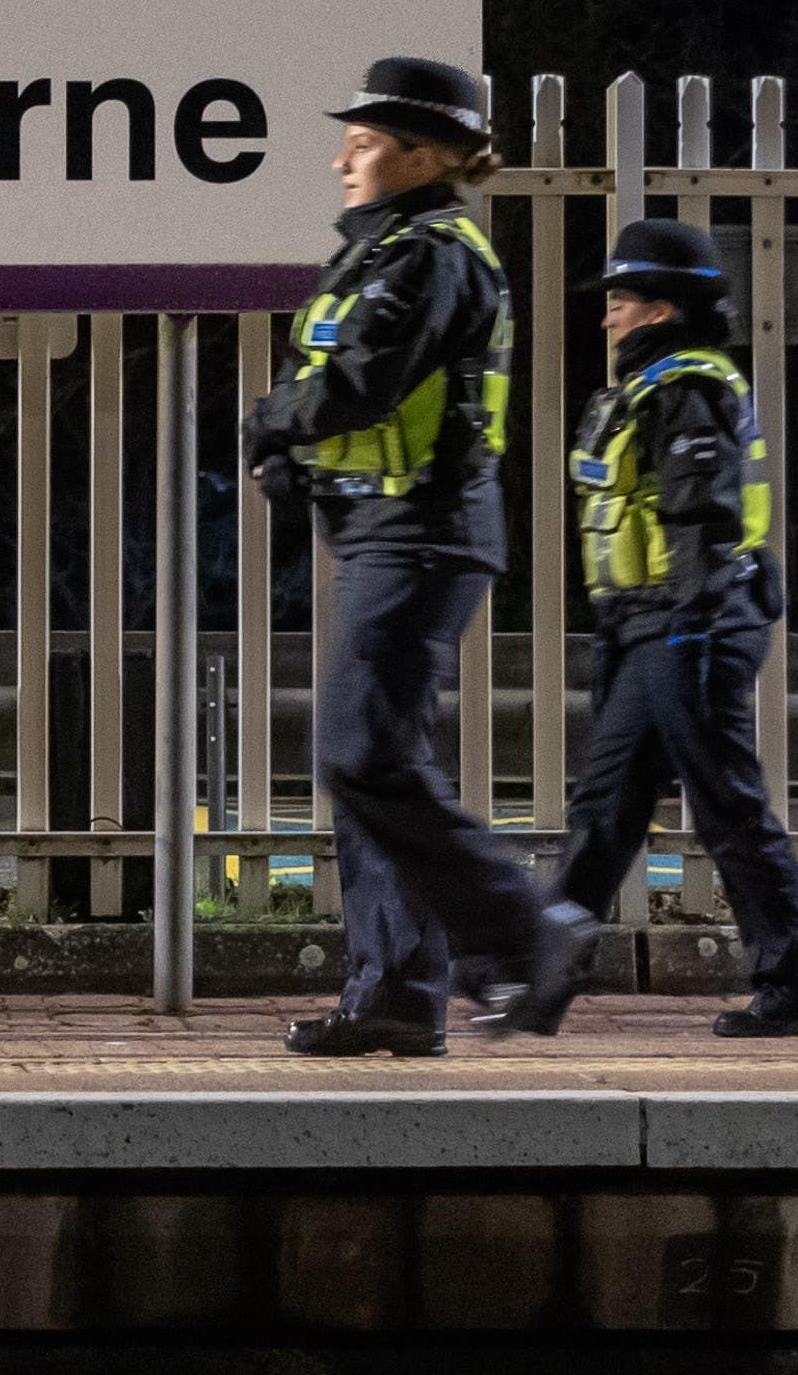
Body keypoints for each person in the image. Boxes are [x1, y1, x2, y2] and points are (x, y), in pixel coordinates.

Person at [237, 56, 598, 1057]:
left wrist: (272, 419)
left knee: (360, 754)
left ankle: (529, 936)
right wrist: (290, 449)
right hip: (383, 533)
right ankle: (396, 990)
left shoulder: (429, 255)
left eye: (362, 142)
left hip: (421, 534)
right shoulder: (386, 251)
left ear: (423, 153)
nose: (340, 158)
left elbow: (357, 381)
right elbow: (344, 391)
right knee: (370, 767)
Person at [549, 216, 798, 1037]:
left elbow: (700, 522)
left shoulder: (687, 386)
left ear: (662, 308)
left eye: (619, 298)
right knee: (605, 807)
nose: (605, 313)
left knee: (725, 804)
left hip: (695, 619)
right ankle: (535, 976)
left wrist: (685, 625)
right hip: (646, 624)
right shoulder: (646, 386)